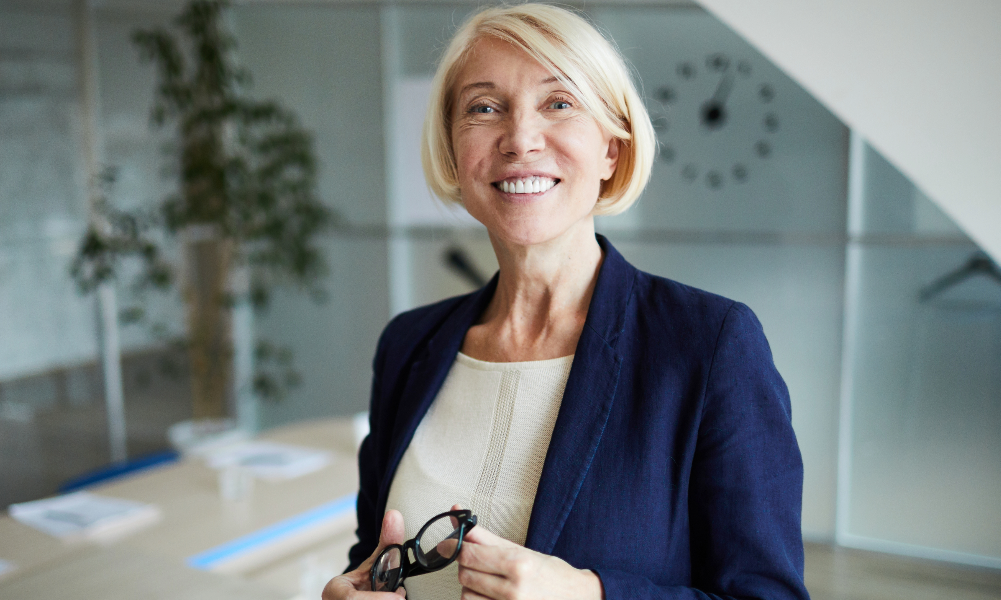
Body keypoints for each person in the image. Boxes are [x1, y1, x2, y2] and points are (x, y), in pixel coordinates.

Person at [323, 4, 808, 599]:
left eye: (559, 103)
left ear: (611, 149)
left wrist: (589, 595)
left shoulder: (709, 345)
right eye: (484, 107)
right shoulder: (407, 344)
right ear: (453, 150)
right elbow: (371, 559)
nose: (521, 139)